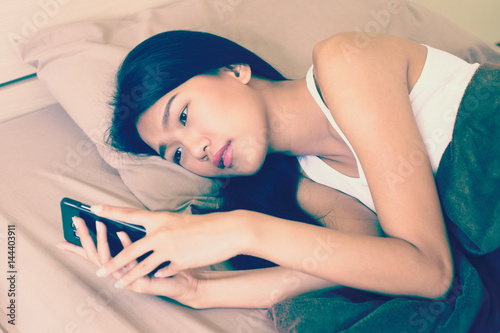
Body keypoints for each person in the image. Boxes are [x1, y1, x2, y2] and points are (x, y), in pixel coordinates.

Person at [57, 30, 500, 310]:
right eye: (175, 155)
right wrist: (196, 290)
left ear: (234, 70)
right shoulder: (310, 187)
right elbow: (385, 269)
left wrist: (241, 229)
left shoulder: (345, 60)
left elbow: (431, 269)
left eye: (185, 116)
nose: (197, 149)